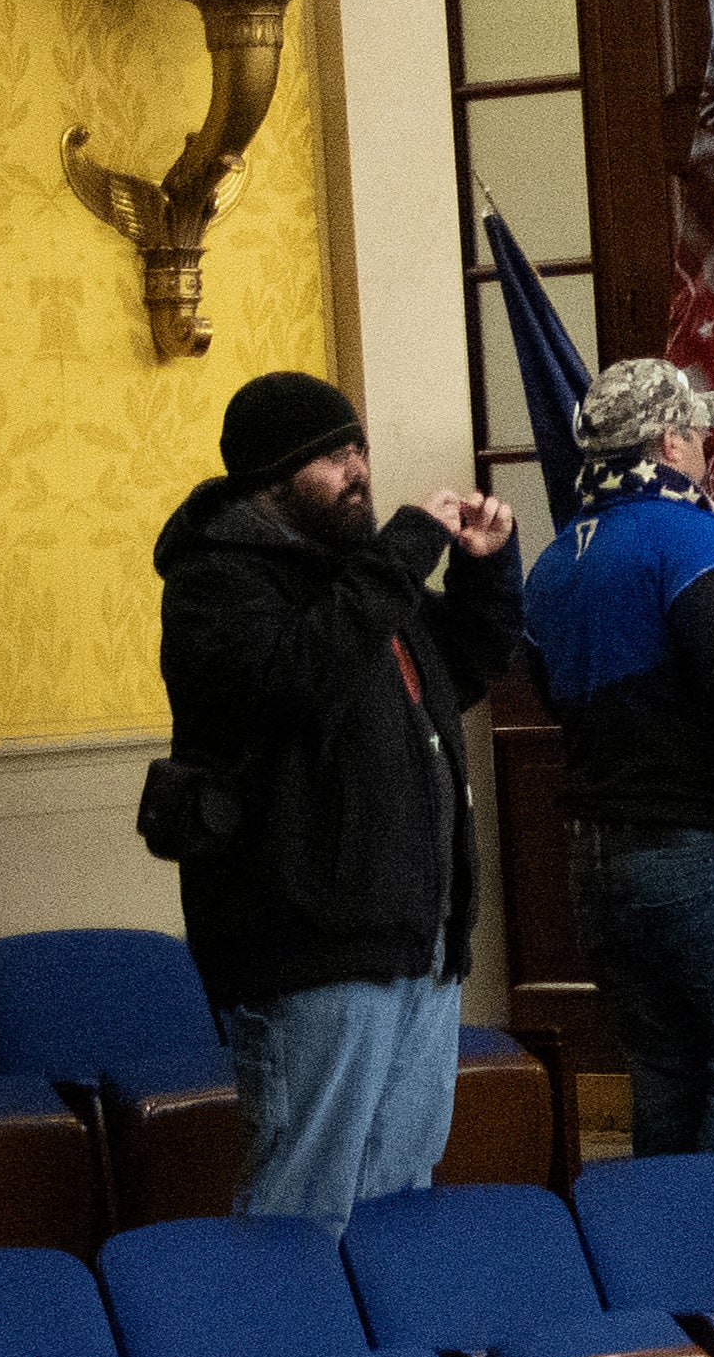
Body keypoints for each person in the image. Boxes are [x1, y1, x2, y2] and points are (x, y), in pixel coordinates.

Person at [152, 374, 522, 1225]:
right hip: (308, 946)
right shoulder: (217, 582)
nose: (357, 468)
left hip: (413, 938)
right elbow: (297, 678)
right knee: (305, 1205)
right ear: (269, 478)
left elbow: (458, 669)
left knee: (401, 1194)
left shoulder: (357, 577)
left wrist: (484, 572)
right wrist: (399, 554)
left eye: (358, 448)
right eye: (330, 456)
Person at [519, 355, 714, 1172]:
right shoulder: (691, 539)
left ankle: (672, 1278)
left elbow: (553, 700)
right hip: (707, 858)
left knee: (662, 1079)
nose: (706, 449)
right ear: (669, 443)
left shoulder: (553, 565)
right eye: (699, 432)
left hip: (595, 864)